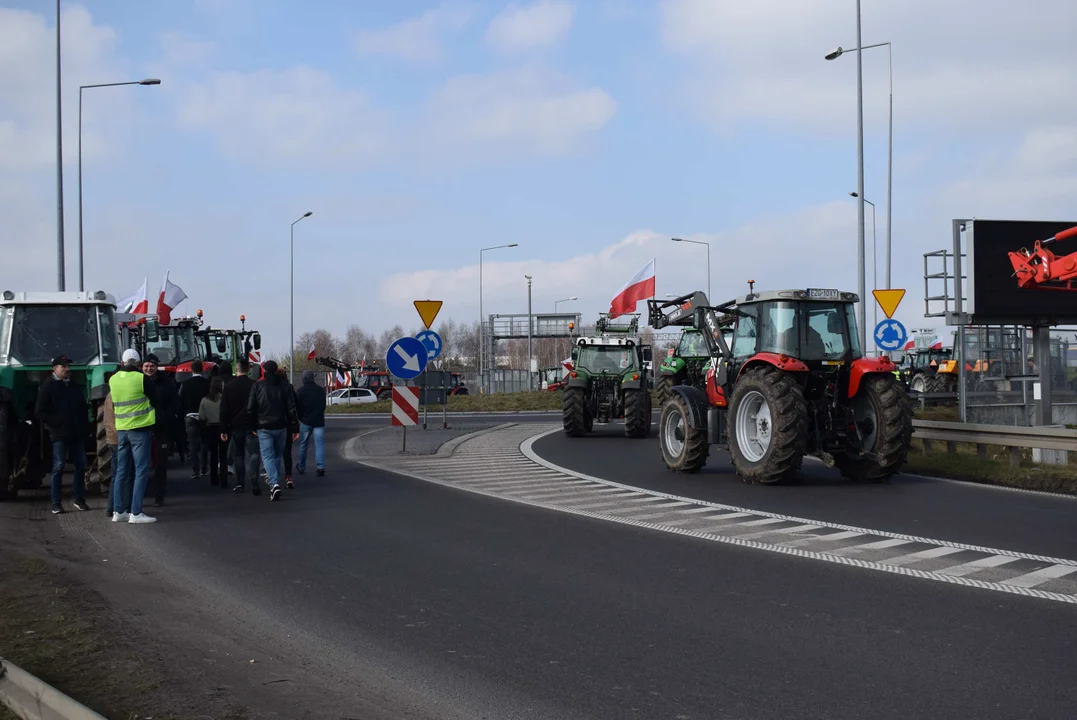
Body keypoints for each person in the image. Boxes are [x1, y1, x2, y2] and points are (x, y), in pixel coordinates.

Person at [35, 355, 90, 514]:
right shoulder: (48, 387)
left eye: (68, 366)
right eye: (63, 366)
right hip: (59, 434)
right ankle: (56, 503)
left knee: (81, 465)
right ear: (55, 369)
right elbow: (39, 412)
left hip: (76, 433)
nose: (67, 369)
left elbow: (81, 408)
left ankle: (78, 498)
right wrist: (57, 422)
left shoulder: (72, 386)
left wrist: (84, 427)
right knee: (58, 466)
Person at [109, 349, 159, 523]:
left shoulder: (112, 379)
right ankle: (135, 512)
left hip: (121, 429)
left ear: (122, 362)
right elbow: (156, 400)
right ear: (138, 364)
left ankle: (118, 511)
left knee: (121, 471)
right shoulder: (141, 379)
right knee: (141, 470)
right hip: (140, 429)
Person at [246, 360, 299, 502]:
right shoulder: (286, 387)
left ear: (264, 371)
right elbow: (291, 408)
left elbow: (250, 408)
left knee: (267, 456)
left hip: (263, 427)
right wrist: (295, 427)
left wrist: (253, 426)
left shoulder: (257, 386)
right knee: (276, 455)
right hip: (281, 426)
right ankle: (274, 482)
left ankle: (274, 483)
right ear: (276, 370)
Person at [144, 354, 179, 507]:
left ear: (156, 367)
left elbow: (175, 402)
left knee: (160, 462)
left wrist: (165, 417)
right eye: (146, 365)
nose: (149, 368)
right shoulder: (138, 382)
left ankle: (159, 493)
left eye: (152, 366)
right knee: (140, 463)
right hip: (141, 428)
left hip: (161, 429)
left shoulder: (167, 383)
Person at [221, 358, 260, 495]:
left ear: (236, 369)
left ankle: (240, 483)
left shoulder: (229, 387)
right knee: (254, 453)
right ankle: (254, 477)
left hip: (235, 425)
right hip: (251, 424)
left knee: (239, 455)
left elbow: (224, 409)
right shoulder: (254, 385)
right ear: (248, 370)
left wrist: (224, 429)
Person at [179, 359, 210, 480]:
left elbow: (180, 400)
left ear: (191, 370)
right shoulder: (207, 383)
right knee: (204, 443)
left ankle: (195, 470)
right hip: (205, 416)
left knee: (192, 443)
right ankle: (204, 467)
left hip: (190, 415)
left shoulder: (185, 384)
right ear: (202, 369)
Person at [295, 370, 326, 477]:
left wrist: (301, 418)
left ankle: (301, 466)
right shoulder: (320, 391)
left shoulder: (300, 391)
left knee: (303, 444)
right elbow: (323, 407)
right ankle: (320, 467)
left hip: (305, 421)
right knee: (319, 445)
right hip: (319, 421)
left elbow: (298, 408)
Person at [198, 378, 228, 488]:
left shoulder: (204, 400)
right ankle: (224, 479)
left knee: (213, 454)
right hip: (222, 427)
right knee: (223, 454)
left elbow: (201, 416)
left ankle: (214, 478)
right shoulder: (224, 399)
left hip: (210, 428)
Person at [277, 367, 297, 489]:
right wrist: (296, 427)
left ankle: (273, 476)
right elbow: (294, 407)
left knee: (273, 453)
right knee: (287, 452)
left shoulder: (270, 387)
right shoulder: (289, 388)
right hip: (287, 423)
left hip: (273, 423)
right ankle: (288, 476)